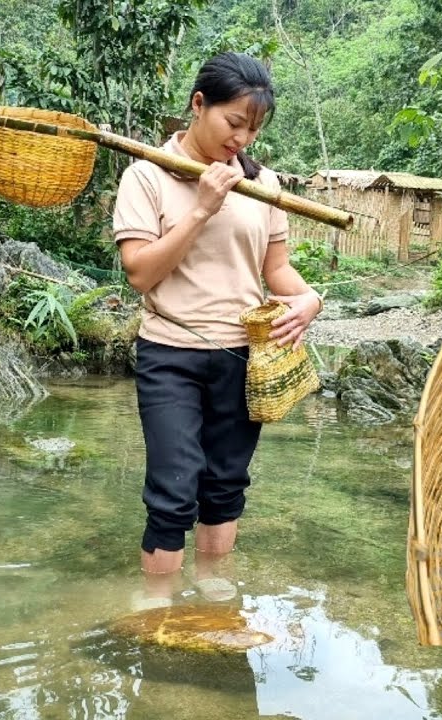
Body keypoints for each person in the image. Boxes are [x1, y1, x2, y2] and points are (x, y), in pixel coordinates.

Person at [112, 52, 324, 605]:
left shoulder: (263, 186)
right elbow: (140, 273)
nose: (243, 140)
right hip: (170, 352)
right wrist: (202, 208)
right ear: (198, 104)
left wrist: (309, 300)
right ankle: (156, 609)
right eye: (234, 123)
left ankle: (214, 600)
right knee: (173, 488)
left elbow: (275, 270)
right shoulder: (146, 175)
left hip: (243, 357)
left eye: (253, 130)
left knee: (225, 483)